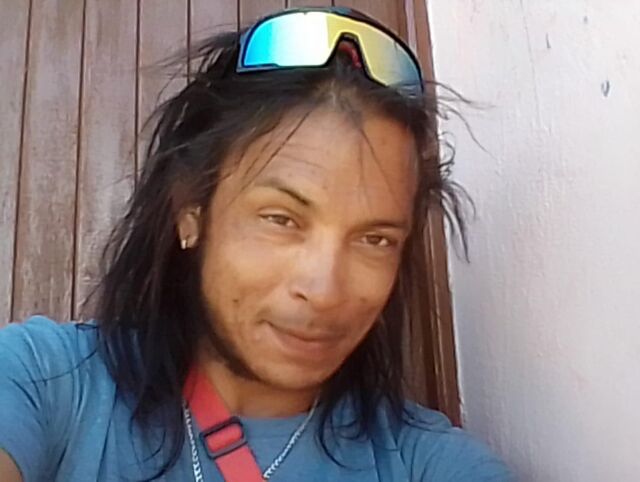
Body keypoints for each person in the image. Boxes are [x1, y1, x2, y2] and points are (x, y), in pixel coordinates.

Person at [0, 6, 513, 482]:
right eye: (282, 219)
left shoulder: (426, 463)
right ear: (191, 209)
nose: (325, 291)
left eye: (375, 239)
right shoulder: (44, 383)